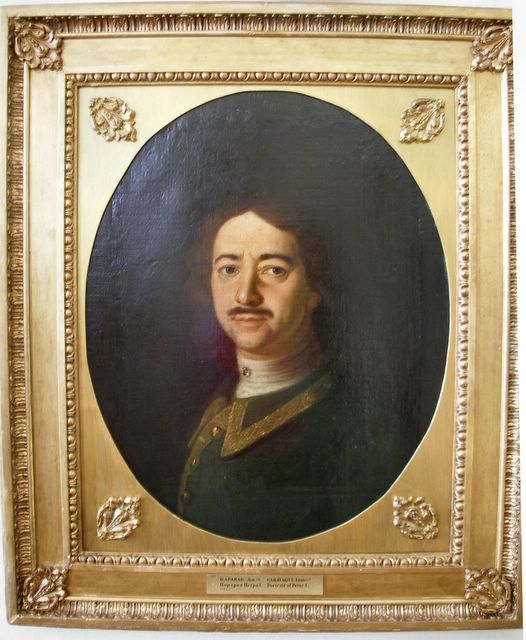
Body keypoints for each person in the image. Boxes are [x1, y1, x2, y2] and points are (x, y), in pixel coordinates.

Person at [175, 208, 415, 542]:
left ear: (313, 287)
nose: (245, 294)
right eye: (228, 269)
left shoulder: (366, 429)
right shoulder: (213, 400)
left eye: (274, 270)